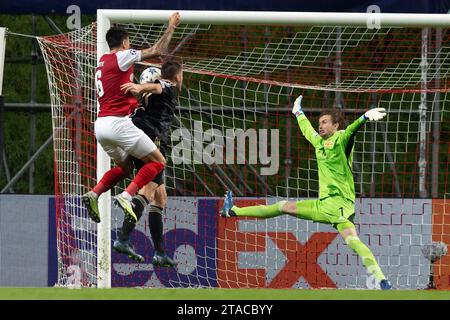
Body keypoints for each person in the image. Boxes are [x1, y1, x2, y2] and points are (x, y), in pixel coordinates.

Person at [220, 95, 393, 290]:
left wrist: (364, 118)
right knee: (352, 241)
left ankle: (233, 211)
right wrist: (298, 112)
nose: (320, 126)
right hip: (333, 208)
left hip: (336, 205)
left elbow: (351, 130)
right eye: (320, 123)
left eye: (325, 122)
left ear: (336, 126)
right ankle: (383, 281)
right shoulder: (319, 143)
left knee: (285, 208)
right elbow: (306, 130)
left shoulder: (341, 139)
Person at [81, 12, 181, 225]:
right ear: (125, 43)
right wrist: (171, 26)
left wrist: (135, 93)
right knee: (159, 162)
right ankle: (127, 196)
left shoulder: (102, 61)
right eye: (129, 42)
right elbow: (158, 50)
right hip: (118, 123)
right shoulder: (122, 56)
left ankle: (94, 193)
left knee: (125, 168)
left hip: (101, 126)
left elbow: (115, 90)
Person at [112, 57, 183, 265]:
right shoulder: (166, 86)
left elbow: (151, 89)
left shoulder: (144, 101)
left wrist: (139, 88)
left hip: (138, 136)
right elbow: (159, 87)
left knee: (160, 198)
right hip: (153, 140)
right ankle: (123, 238)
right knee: (149, 191)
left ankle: (160, 253)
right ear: (176, 76)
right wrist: (142, 86)